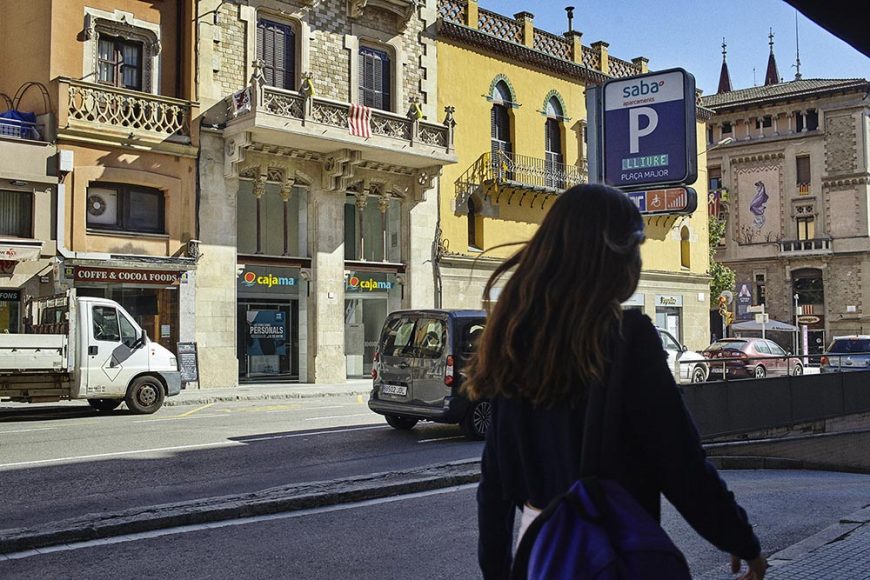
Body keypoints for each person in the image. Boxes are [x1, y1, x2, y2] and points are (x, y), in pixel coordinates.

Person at [464, 184, 767, 579]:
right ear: (613, 253)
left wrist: (498, 572)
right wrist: (741, 540)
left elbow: (496, 487)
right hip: (613, 557)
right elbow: (680, 463)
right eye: (637, 244)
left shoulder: (514, 339)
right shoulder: (627, 338)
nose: (639, 258)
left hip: (544, 560)